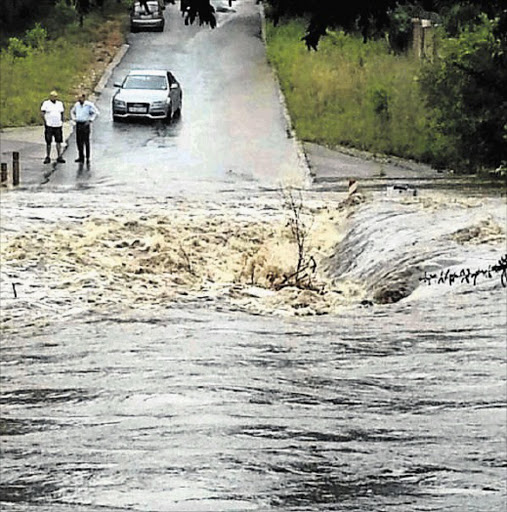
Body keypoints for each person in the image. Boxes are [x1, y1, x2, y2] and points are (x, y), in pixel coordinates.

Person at [70, 92, 99, 163]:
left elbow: (96, 113)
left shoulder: (89, 105)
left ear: (84, 98)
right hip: (78, 124)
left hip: (85, 124)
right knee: (79, 141)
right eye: (78, 98)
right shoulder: (77, 105)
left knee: (86, 141)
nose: (79, 99)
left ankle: (88, 157)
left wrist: (90, 120)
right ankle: (81, 156)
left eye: (80, 98)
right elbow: (72, 112)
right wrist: (74, 119)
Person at [40, 90, 65, 164]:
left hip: (58, 125)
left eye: (55, 97)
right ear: (50, 97)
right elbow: (42, 113)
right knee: (48, 141)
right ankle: (48, 156)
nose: (54, 98)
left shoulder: (60, 104)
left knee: (58, 141)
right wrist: (45, 122)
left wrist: (61, 121)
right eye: (52, 96)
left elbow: (62, 112)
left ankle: (59, 156)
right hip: (49, 125)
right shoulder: (46, 103)